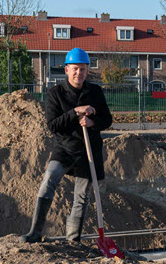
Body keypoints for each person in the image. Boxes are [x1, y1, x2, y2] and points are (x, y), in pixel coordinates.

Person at [20, 48, 113, 243]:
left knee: (81, 197)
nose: (79, 73)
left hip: (89, 152)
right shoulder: (55, 93)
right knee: (48, 181)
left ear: (88, 71)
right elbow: (52, 125)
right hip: (65, 148)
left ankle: (73, 241)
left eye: (83, 69)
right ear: (67, 70)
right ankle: (35, 232)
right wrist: (75, 112)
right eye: (75, 69)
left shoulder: (95, 92)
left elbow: (107, 119)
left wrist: (93, 121)